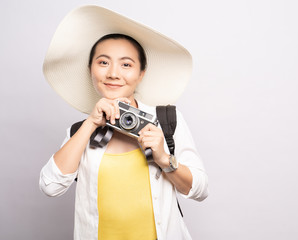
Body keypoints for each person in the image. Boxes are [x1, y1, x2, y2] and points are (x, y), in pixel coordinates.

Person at [39, 5, 208, 240]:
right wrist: (90, 123)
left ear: (141, 74)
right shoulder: (80, 131)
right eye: (103, 62)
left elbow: (200, 190)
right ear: (90, 70)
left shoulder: (167, 121)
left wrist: (164, 159)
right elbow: (50, 186)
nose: (113, 74)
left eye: (126, 64)